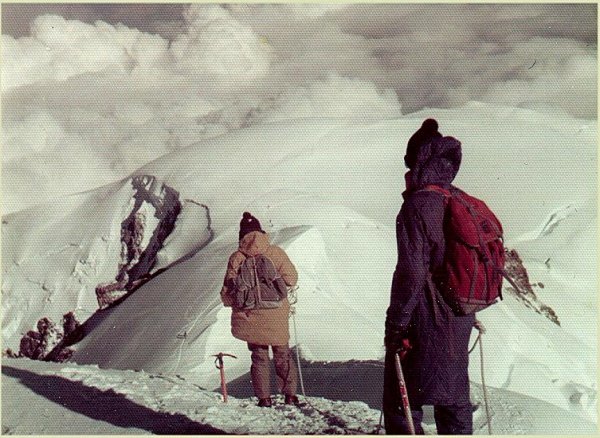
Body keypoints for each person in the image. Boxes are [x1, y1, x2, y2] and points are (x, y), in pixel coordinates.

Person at [383, 119, 475, 434]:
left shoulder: (418, 206)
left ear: (418, 161)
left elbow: (412, 271)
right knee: (454, 397)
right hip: (459, 314)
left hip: (426, 316)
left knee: (400, 397)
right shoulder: (457, 198)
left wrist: (395, 324)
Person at [220, 212, 300, 407]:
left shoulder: (237, 258)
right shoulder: (275, 253)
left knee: (259, 357)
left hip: (250, 316)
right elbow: (292, 279)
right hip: (277, 314)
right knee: (282, 354)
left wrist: (238, 302)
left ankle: (264, 399)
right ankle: (290, 394)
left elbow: (227, 293)